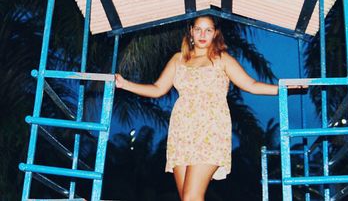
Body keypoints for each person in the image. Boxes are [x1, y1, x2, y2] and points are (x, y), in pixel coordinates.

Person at [115, 16, 304, 201]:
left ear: (216, 33)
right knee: (185, 197)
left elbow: (252, 85)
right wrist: (125, 84)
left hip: (210, 131)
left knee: (191, 196)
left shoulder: (222, 59)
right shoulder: (177, 60)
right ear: (191, 31)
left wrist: (283, 89)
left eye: (208, 30)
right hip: (182, 132)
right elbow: (157, 89)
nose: (202, 34)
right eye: (198, 29)